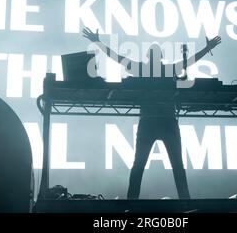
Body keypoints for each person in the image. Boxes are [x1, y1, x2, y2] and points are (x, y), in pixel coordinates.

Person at [82, 27, 221, 199]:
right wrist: (208, 49)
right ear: (160, 56)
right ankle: (186, 203)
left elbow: (117, 57)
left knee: (140, 165)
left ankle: (132, 204)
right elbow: (190, 62)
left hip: (150, 122)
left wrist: (97, 42)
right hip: (167, 122)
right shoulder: (167, 70)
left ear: (148, 56)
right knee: (176, 166)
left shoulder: (141, 69)